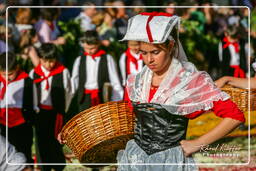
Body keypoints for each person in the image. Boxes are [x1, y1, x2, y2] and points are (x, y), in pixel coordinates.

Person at [117, 12, 245, 171]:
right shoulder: (136, 82)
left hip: (169, 162)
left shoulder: (189, 82)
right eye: (144, 52)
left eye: (155, 52)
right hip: (135, 159)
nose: (149, 60)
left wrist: (196, 144)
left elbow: (235, 116)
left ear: (170, 46)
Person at [29, 43, 72, 171]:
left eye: (52, 61)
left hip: (56, 113)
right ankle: (43, 167)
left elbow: (69, 92)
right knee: (41, 141)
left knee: (56, 141)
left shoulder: (63, 72)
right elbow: (31, 93)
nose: (49, 65)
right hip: (40, 112)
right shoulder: (34, 73)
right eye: (45, 61)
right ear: (40, 59)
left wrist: (63, 110)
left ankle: (58, 166)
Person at [71, 30, 123, 112]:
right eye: (86, 48)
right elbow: (74, 80)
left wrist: (117, 99)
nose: (89, 51)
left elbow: (115, 80)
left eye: (92, 48)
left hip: (102, 97)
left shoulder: (107, 58)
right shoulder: (79, 60)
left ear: (98, 44)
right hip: (84, 98)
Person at [0, 52, 35, 165]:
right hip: (2, 123)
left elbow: (33, 104)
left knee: (23, 154)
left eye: (10, 74)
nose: (6, 77)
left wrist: (29, 119)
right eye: (3, 74)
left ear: (17, 68)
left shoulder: (27, 81)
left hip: (21, 124)